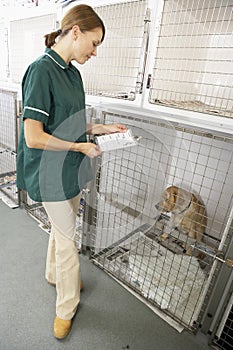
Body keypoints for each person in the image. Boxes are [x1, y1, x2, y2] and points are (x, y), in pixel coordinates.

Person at [16, 4, 127, 340]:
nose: (95, 52)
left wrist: (102, 128)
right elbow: (33, 136)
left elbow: (72, 124)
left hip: (69, 169)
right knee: (68, 241)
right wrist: (80, 147)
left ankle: (54, 273)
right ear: (75, 32)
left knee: (64, 229)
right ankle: (66, 307)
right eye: (94, 43)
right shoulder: (41, 70)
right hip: (49, 171)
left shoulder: (72, 72)